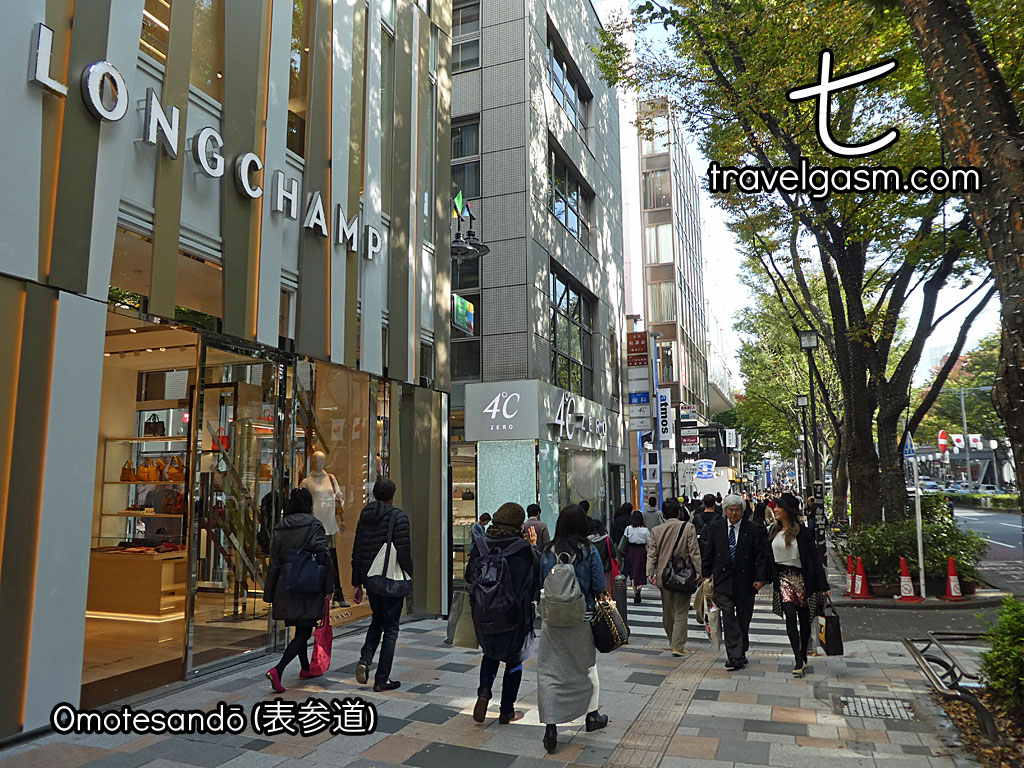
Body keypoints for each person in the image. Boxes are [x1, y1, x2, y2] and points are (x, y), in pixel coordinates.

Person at [538, 505, 608, 753]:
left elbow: (541, 582)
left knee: (549, 671)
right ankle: (592, 716)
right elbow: (599, 584)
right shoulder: (588, 550)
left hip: (553, 617)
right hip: (582, 616)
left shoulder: (548, 551)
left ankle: (550, 725)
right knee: (587, 667)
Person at [467, 503, 540, 724]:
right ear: (518, 524)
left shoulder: (481, 545)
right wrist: (533, 547)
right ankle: (506, 710)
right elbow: (536, 579)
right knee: (514, 660)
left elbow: (469, 576)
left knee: (490, 654)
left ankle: (484, 692)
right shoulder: (522, 548)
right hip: (514, 614)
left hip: (485, 611)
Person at [263, 487, 334, 692]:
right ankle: (278, 670)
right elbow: (324, 557)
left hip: (285, 586)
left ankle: (305, 668)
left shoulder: (280, 528)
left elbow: (274, 563)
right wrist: (328, 587)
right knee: (303, 632)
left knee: (299, 629)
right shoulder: (313, 526)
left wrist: (269, 592)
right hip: (308, 585)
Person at [351, 477, 412, 692]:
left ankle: (365, 660)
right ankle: (381, 679)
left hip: (371, 578)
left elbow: (357, 548)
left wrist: (357, 582)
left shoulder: (365, 516)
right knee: (391, 629)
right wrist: (410, 573)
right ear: (392, 495)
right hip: (391, 579)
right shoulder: (398, 516)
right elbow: (403, 551)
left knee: (377, 620)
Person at [702, 493, 770, 670]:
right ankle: (735, 656)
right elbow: (709, 552)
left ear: (743, 511)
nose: (734, 514)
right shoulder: (716, 527)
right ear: (725, 511)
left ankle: (741, 650)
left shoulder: (753, 529)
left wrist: (761, 578)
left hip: (746, 581)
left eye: (738, 510)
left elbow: (761, 556)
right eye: (731, 510)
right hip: (723, 581)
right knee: (728, 618)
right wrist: (705, 574)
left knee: (743, 619)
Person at [769, 493, 829, 677]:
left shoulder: (802, 533)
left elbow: (814, 559)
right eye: (775, 507)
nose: (776, 510)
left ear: (788, 510)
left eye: (779, 507)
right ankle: (797, 656)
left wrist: (823, 585)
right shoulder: (773, 531)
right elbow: (766, 557)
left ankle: (803, 653)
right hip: (783, 578)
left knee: (804, 620)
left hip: (803, 579)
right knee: (789, 616)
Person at [647, 501, 702, 656]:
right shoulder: (688, 527)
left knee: (667, 611)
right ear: (678, 512)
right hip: (684, 576)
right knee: (681, 611)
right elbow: (694, 552)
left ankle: (672, 640)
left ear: (663, 514)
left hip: (664, 576)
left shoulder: (656, 530)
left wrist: (649, 572)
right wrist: (699, 572)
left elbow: (652, 554)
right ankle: (677, 645)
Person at [621, 510, 652, 603]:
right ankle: (639, 588)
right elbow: (648, 542)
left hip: (631, 551)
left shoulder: (628, 528)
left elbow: (624, 540)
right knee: (641, 572)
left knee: (633, 573)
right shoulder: (645, 530)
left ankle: (635, 592)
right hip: (641, 551)